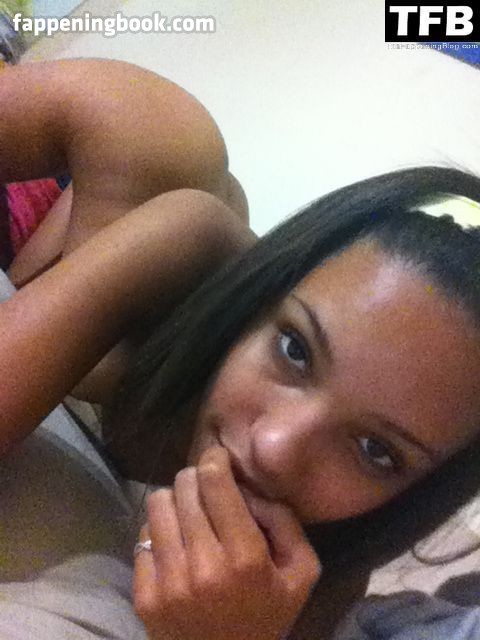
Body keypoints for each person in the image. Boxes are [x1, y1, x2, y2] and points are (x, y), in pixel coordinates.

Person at [1, 58, 480, 639]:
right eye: (295, 351)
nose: (274, 448)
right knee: (159, 136)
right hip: (142, 198)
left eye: (376, 451)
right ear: (263, 293)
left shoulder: (329, 581)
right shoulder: (183, 230)